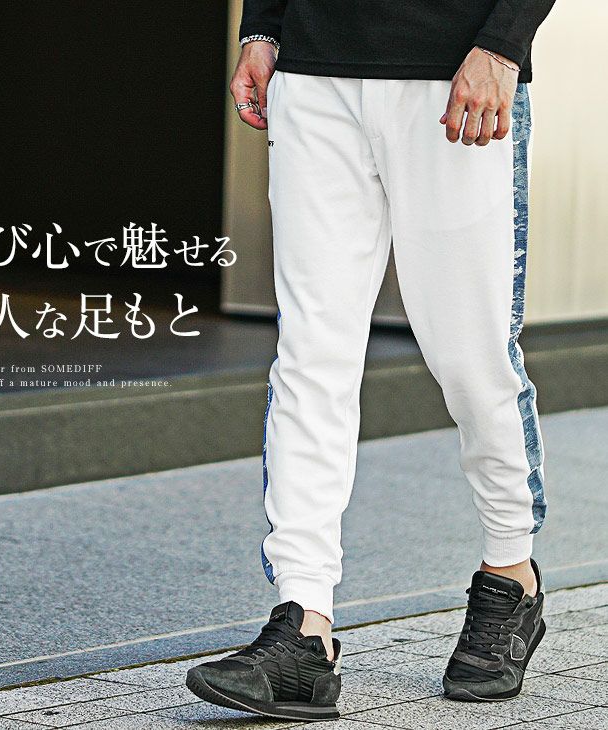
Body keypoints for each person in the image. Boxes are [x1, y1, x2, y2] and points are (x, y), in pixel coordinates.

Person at [186, 0, 556, 720]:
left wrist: (503, 45)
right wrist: (261, 28)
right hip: (314, 72)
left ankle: (511, 574)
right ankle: (304, 625)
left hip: (456, 69)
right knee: (310, 355)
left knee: (472, 356)